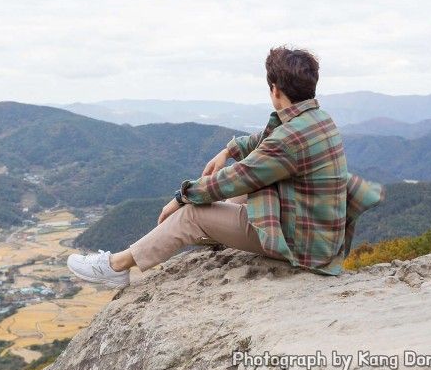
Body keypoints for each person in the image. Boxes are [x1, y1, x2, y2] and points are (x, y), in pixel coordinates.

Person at [67, 47, 385, 288]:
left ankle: (116, 267)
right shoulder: (318, 120)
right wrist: (229, 149)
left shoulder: (290, 139)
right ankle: (208, 234)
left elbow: (234, 180)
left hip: (302, 246)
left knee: (195, 212)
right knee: (226, 205)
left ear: (275, 89)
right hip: (317, 234)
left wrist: (181, 197)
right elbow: (265, 139)